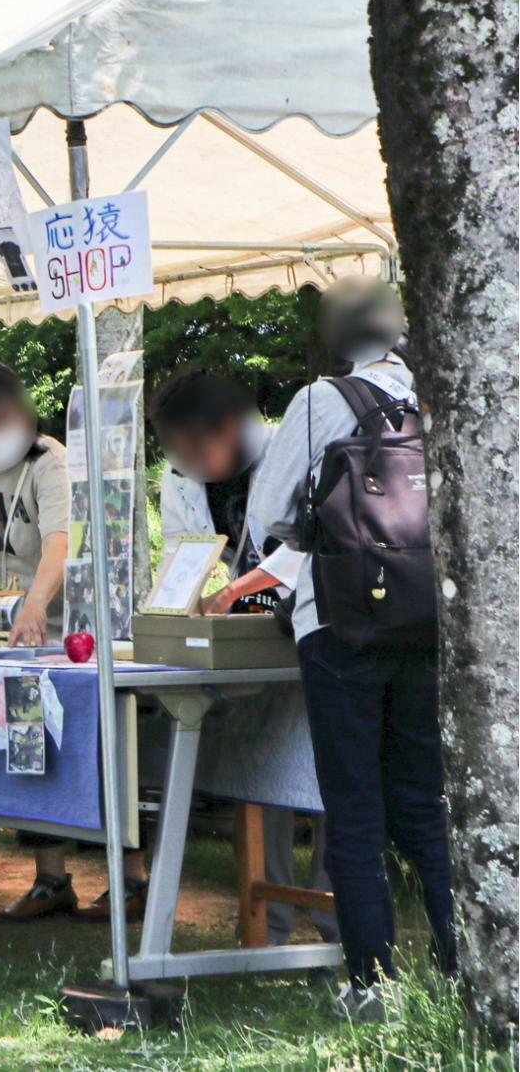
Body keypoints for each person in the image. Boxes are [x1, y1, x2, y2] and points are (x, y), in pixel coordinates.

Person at [249, 278, 452, 1020]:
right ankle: (461, 968)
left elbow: (271, 514)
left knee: (355, 811)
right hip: (427, 620)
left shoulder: (320, 401)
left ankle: (373, 984)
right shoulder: (439, 394)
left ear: (337, 336)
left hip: (339, 624)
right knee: (423, 807)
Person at [150, 366, 334, 944]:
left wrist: (236, 588)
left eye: (198, 447)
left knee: (326, 773)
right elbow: (182, 557)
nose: (189, 462)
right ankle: (267, 924)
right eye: (177, 451)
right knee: (261, 768)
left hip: (313, 629)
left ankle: (335, 917)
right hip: (241, 647)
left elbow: (310, 544)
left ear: (231, 425)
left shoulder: (293, 449)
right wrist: (178, 606)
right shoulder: (180, 481)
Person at [0, 363, 99, 921]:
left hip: (72, 629)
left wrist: (34, 605)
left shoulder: (48, 461)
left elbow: (59, 542)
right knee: (28, 747)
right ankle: (50, 879)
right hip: (16, 637)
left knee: (93, 747)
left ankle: (132, 881)